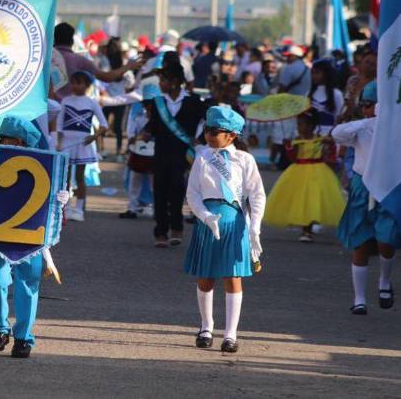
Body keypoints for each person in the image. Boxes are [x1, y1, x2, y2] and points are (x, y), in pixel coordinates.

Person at [0, 117, 70, 358]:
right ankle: (0, 329)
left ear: (19, 141)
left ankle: (24, 337)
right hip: (0, 236)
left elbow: (55, 202)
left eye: (5, 139)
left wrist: (61, 201)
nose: (1, 143)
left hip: (31, 236)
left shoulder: (43, 164)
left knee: (28, 284)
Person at [183, 106, 265, 354]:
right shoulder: (202, 157)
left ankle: (231, 334)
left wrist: (255, 227)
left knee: (232, 277)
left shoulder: (245, 160)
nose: (209, 135)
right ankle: (206, 326)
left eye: (215, 131)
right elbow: (193, 193)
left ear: (231, 135)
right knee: (206, 277)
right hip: (208, 223)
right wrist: (205, 216)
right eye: (207, 129)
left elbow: (257, 195)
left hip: (235, 223)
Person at [332, 82, 399, 314]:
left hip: (388, 186)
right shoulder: (360, 128)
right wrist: (367, 122)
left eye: (371, 105)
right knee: (360, 242)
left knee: (386, 240)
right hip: (362, 187)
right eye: (365, 105)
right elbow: (337, 134)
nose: (367, 109)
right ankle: (359, 299)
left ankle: (384, 280)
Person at [143, 60, 209, 247]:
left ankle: (177, 228)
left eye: (162, 80)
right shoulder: (158, 102)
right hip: (161, 153)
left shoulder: (193, 101)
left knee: (177, 190)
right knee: (160, 192)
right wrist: (147, 132)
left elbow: (206, 121)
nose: (159, 84)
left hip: (182, 155)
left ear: (173, 81)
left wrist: (200, 139)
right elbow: (153, 125)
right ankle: (160, 231)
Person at [263, 109, 346, 242]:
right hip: (299, 170)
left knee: (313, 198)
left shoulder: (320, 139)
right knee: (301, 199)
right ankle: (305, 228)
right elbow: (294, 158)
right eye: (298, 124)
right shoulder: (297, 140)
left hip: (318, 171)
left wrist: (328, 146)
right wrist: (288, 148)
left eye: (301, 124)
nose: (299, 127)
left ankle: (309, 228)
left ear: (311, 125)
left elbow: (330, 151)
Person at [57, 71, 108, 222]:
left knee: (80, 177)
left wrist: (93, 137)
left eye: (78, 82)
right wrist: (59, 142)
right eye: (73, 82)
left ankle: (79, 209)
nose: (75, 85)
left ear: (87, 85)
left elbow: (104, 125)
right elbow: (59, 124)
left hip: (82, 144)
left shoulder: (92, 102)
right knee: (65, 178)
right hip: (67, 143)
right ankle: (63, 209)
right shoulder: (66, 101)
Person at [52, 22, 143, 101]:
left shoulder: (45, 59)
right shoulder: (79, 60)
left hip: (45, 113)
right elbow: (106, 77)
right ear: (72, 41)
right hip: (71, 112)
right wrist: (127, 67)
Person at [119, 85, 158, 220]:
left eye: (151, 104)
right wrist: (134, 140)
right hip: (138, 153)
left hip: (155, 154)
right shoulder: (138, 116)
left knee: (155, 183)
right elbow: (131, 135)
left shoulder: (162, 118)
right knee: (134, 181)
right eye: (146, 103)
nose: (148, 107)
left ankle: (155, 209)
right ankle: (132, 208)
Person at [98, 37, 134, 158]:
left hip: (107, 98)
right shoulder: (124, 64)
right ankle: (118, 152)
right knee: (118, 127)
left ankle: (101, 149)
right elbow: (131, 82)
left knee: (103, 124)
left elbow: (101, 79)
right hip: (120, 99)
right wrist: (125, 89)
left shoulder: (104, 62)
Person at [308, 59, 344, 135]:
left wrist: (331, 135)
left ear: (327, 73)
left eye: (317, 72)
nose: (314, 76)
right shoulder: (309, 94)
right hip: (313, 136)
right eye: (312, 73)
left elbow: (340, 117)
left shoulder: (336, 94)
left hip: (331, 136)